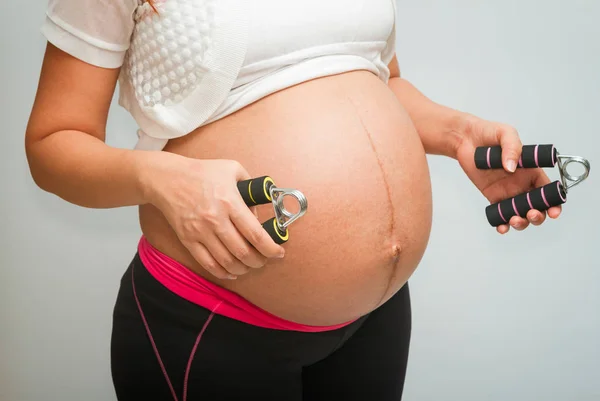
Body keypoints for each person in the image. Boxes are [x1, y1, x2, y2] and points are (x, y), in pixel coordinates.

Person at [25, 0, 561, 400]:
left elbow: (379, 78)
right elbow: (52, 144)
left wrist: (458, 133)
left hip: (374, 316)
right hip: (214, 320)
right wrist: (162, 178)